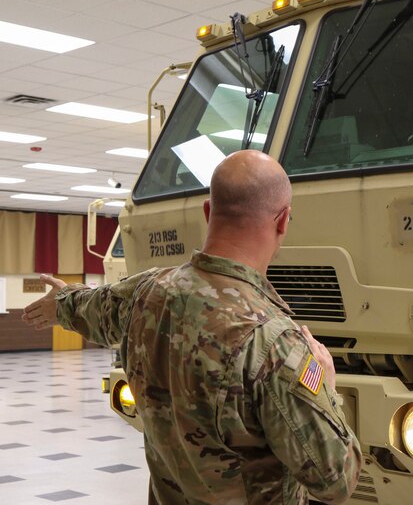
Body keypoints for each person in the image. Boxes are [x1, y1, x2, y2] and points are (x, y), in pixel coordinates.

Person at [22, 150, 362, 505]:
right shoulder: (273, 342)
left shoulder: (146, 293)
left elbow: (93, 309)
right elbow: (336, 481)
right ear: (283, 221)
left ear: (207, 211)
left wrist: (62, 303)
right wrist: (327, 390)